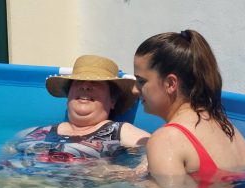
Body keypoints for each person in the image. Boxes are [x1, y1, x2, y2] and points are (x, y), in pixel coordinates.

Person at [133, 29, 245, 188]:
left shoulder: (166, 139)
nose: (135, 90)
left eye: (141, 81)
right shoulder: (226, 126)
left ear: (170, 83)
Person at [8, 55, 150, 165]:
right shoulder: (31, 132)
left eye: (96, 83)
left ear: (112, 100)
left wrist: (123, 173)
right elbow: (4, 155)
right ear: (68, 94)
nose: (85, 86)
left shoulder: (120, 132)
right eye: (78, 82)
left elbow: (160, 149)